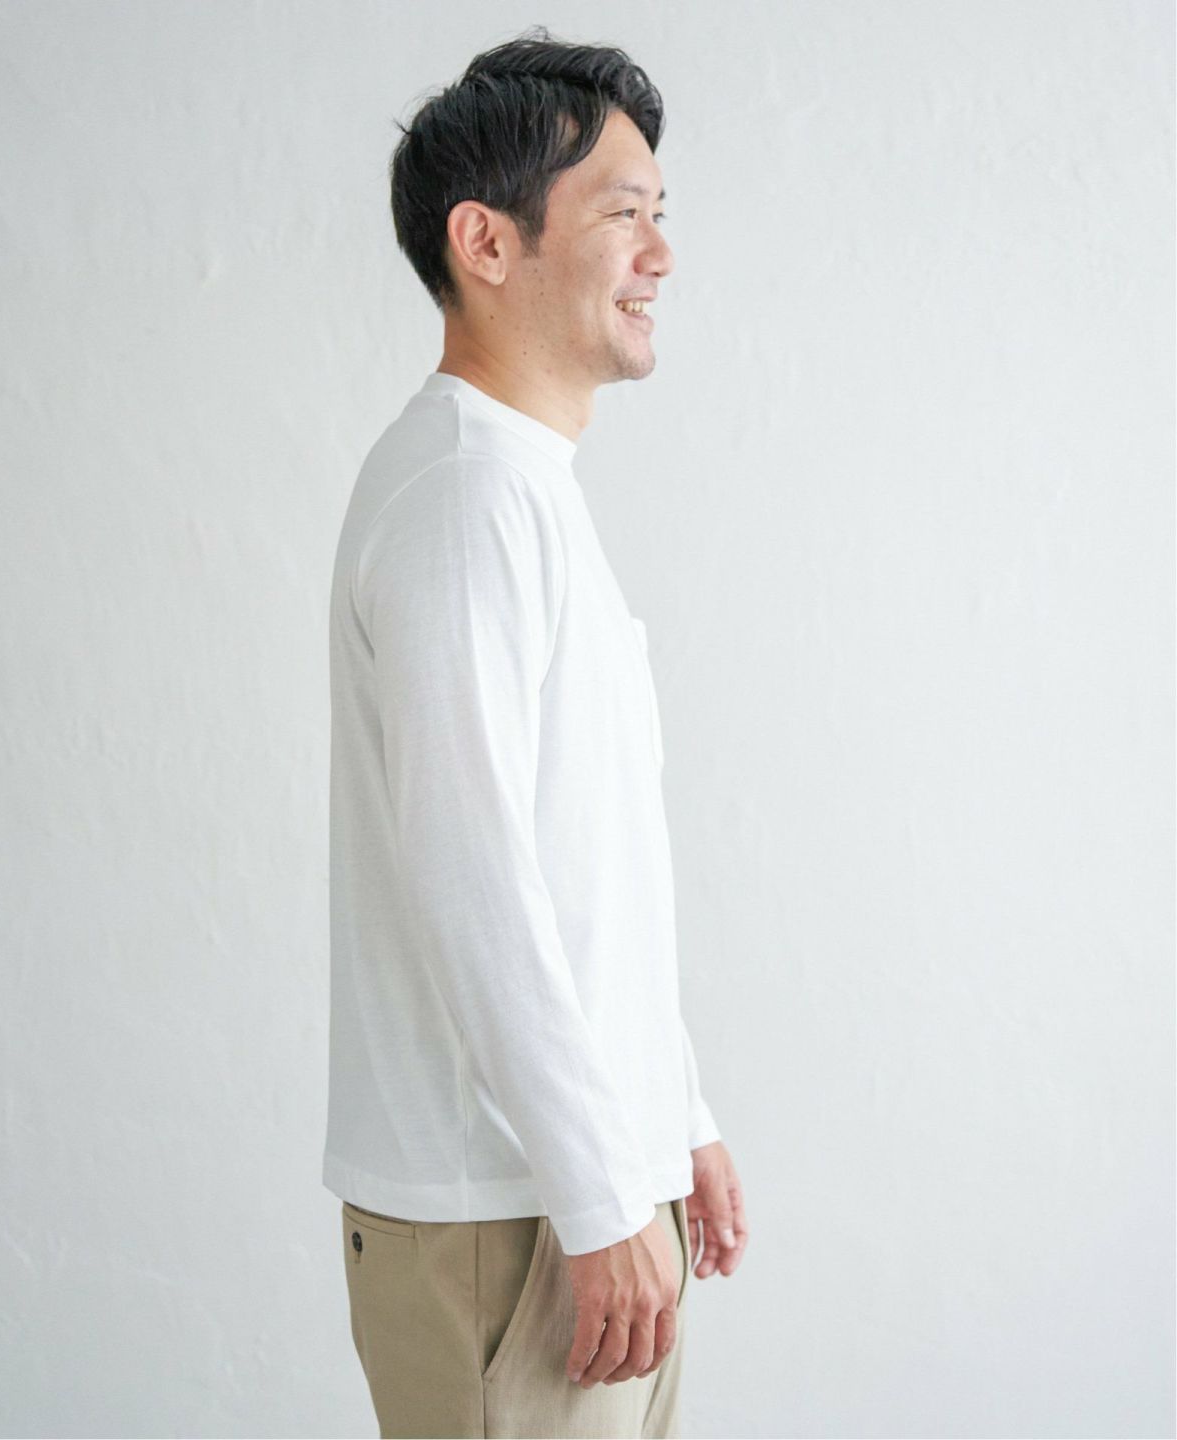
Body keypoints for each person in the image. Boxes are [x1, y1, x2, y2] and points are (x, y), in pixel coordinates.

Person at [322, 25, 747, 1439]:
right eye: (624, 213)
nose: (661, 254)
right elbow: (473, 874)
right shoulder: (465, 497)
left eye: (661, 213)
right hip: (516, 1214)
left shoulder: (523, 487)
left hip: (581, 1193)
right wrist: (597, 1188)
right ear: (486, 243)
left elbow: (588, 861)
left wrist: (672, 1115)